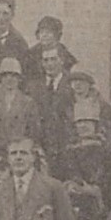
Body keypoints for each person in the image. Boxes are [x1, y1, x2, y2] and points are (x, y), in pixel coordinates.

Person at [0, 58, 41, 173]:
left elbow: (33, 134)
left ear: (19, 79)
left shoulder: (28, 103)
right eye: (5, 75)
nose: (9, 79)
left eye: (13, 75)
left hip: (17, 156)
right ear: (0, 78)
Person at [26, 45, 75, 178]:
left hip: (65, 148)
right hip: (41, 148)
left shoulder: (72, 84)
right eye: (45, 60)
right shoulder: (33, 87)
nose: (49, 64)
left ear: (62, 61)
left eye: (53, 59)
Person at [68, 64, 111, 153]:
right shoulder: (66, 105)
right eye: (74, 80)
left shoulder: (102, 105)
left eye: (82, 80)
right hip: (73, 151)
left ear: (89, 83)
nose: (78, 83)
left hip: (97, 151)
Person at [23, 16, 77, 81]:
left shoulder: (66, 56)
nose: (44, 35)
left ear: (57, 35)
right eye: (41, 32)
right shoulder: (30, 55)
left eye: (48, 32)